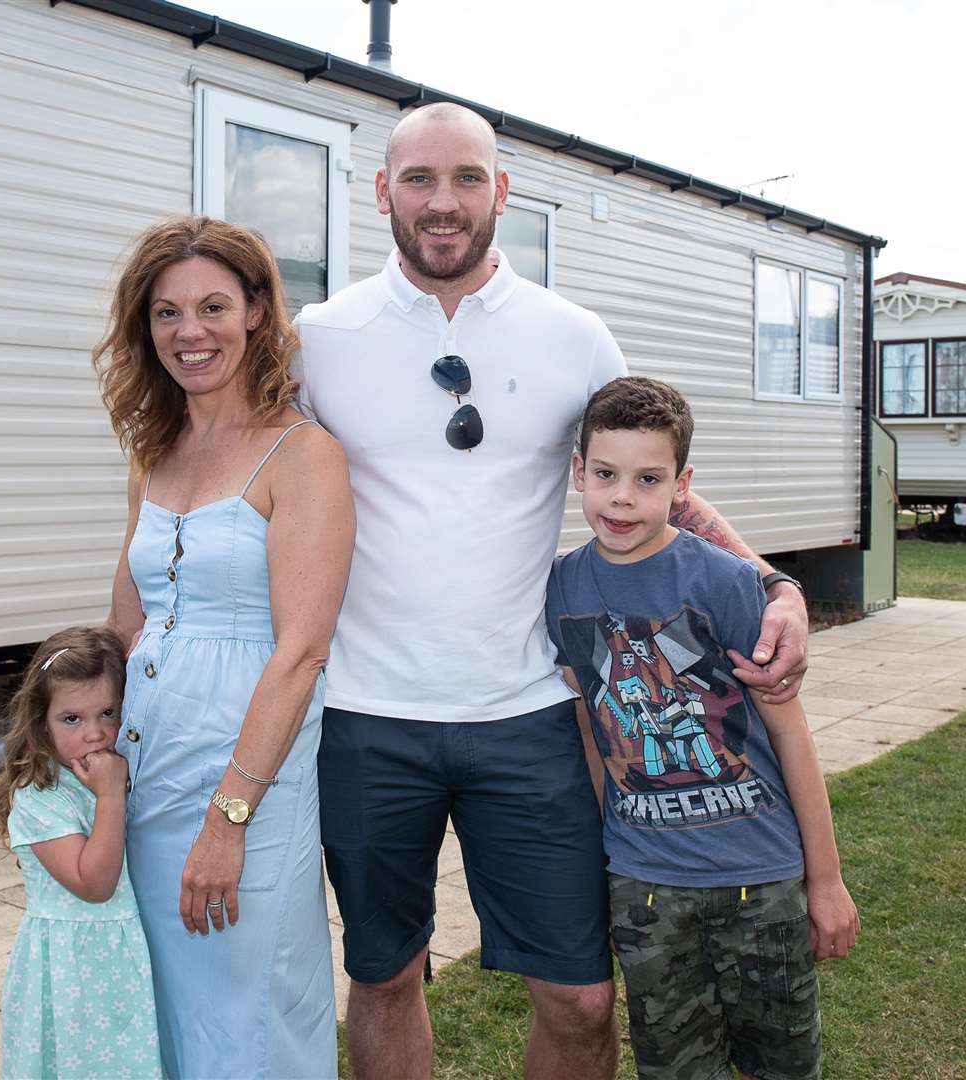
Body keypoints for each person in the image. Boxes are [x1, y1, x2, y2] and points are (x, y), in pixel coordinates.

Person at [293, 102, 813, 1080]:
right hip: (367, 719)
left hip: (529, 716)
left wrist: (775, 583)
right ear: (381, 193)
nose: (442, 203)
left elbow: (659, 483)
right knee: (384, 978)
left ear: (502, 191)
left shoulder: (570, 335)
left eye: (465, 179)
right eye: (418, 179)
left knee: (580, 999)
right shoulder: (321, 337)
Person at [95, 216, 355, 1079]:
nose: (189, 332)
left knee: (248, 1015)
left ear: (255, 313)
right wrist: (83, 760)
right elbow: (123, 630)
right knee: (164, 1006)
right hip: (147, 766)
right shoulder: (153, 452)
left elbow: (302, 652)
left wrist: (228, 820)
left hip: (246, 773)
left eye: (212, 306)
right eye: (166, 313)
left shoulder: (303, 454)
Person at [546, 377, 858, 1080]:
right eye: (604, 474)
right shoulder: (562, 590)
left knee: (780, 1066)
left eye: (647, 478)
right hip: (646, 888)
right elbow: (591, 737)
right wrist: (604, 862)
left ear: (681, 485)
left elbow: (788, 731)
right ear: (577, 473)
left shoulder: (724, 583)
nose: (621, 497)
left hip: (763, 882)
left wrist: (825, 879)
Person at [0, 626, 164, 1080]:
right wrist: (110, 798)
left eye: (108, 713)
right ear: (40, 721)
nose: (95, 734)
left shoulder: (120, 771)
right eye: (72, 719)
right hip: (69, 974)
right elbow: (95, 883)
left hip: (124, 963)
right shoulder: (41, 796)